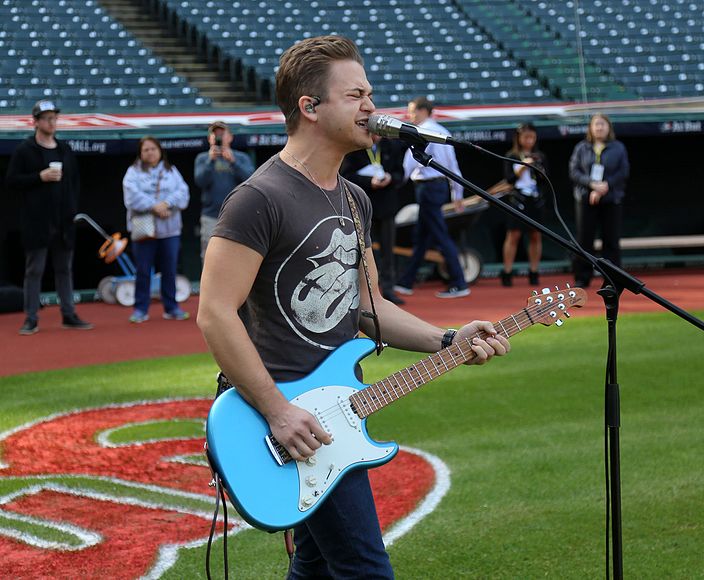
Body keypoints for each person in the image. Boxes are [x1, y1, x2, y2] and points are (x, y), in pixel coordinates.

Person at [196, 35, 509, 579]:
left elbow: (368, 307)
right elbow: (215, 312)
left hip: (333, 411)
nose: (372, 108)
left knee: (316, 568)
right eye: (356, 95)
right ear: (309, 107)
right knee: (365, 569)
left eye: (371, 94)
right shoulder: (257, 199)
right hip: (284, 418)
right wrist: (276, 409)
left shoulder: (353, 198)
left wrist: (448, 339)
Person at [5, 100, 93, 335]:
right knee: (34, 270)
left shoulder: (64, 149)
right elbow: (12, 181)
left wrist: (72, 210)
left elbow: (74, 182)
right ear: (35, 122)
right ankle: (31, 318)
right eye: (46, 118)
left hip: (63, 222)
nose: (51, 122)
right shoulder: (25, 150)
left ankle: (68, 314)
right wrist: (39, 177)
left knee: (64, 269)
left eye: (54, 117)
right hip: (37, 223)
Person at [393, 97, 471, 299]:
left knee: (440, 235)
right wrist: (457, 194)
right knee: (422, 237)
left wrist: (393, 181)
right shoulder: (443, 131)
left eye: (412, 111)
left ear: (423, 111)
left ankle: (459, 282)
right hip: (437, 187)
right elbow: (453, 167)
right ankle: (406, 281)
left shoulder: (420, 132)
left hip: (428, 189)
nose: (410, 115)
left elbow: (408, 165)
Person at [122, 137, 190, 323]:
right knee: (143, 270)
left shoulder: (171, 171)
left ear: (160, 151)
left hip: (170, 230)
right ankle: (140, 309)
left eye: (153, 149)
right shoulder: (133, 172)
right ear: (140, 153)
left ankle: (171, 307)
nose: (150, 152)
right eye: (146, 150)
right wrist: (155, 206)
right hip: (144, 231)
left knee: (169, 269)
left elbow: (183, 193)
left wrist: (167, 203)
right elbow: (131, 198)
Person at [340, 135, 406, 304]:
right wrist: (369, 181)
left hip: (387, 207)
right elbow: (346, 176)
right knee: (363, 252)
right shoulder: (353, 148)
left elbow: (400, 173)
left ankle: (388, 289)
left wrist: (391, 178)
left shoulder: (392, 147)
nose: (376, 137)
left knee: (387, 251)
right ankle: (365, 292)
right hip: (362, 208)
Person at [568, 113, 630, 288]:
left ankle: (613, 278)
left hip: (611, 199)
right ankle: (582, 277)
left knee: (611, 239)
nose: (599, 128)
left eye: (603, 124)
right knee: (584, 239)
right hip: (586, 199)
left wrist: (605, 186)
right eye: (596, 124)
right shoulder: (581, 147)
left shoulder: (618, 147)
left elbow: (623, 172)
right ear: (590, 128)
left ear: (609, 127)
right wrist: (592, 184)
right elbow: (574, 172)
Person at [194, 120, 255, 261]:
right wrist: (211, 161)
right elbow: (200, 181)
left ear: (230, 137)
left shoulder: (241, 157)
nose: (219, 137)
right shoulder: (203, 158)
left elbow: (251, 180)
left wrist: (233, 162)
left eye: (223, 134)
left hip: (237, 215)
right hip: (211, 216)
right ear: (210, 138)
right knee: (210, 257)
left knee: (237, 257)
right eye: (216, 134)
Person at [500, 122, 548, 287]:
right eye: (526, 137)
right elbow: (509, 179)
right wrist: (522, 167)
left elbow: (544, 180)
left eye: (532, 137)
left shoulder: (540, 156)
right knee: (513, 235)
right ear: (519, 138)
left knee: (535, 235)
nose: (529, 140)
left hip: (535, 199)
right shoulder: (511, 155)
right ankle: (507, 272)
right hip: (517, 199)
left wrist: (536, 167)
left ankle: (534, 271)